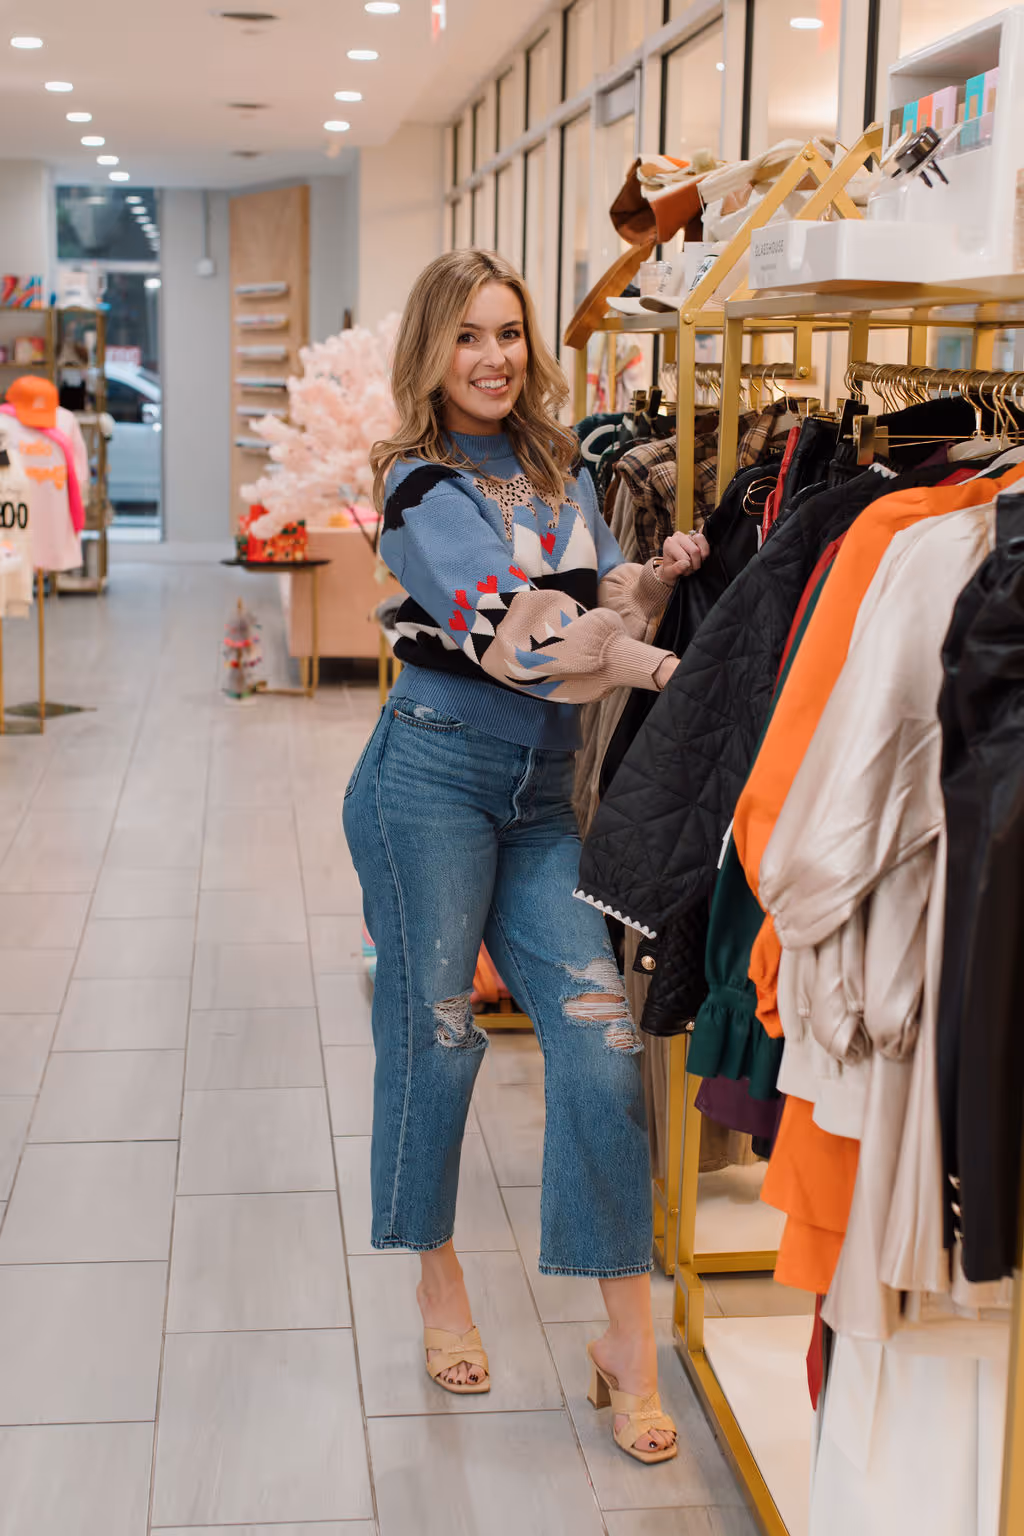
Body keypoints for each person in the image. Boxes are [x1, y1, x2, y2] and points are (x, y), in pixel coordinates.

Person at [344, 249, 709, 1465]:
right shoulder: (414, 486)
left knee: (604, 1041)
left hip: (545, 797)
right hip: (431, 783)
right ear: (431, 354)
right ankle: (437, 1284)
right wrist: (667, 669)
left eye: (508, 333)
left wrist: (651, 584)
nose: (494, 357)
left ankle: (624, 1344)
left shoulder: (559, 464)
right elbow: (530, 641)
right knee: (437, 1035)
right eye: (467, 337)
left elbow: (593, 602)